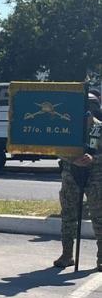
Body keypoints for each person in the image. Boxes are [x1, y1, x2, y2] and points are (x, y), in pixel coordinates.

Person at [53, 92, 102, 272]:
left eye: (89, 111)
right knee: (68, 215)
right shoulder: (68, 127)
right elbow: (56, 149)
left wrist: (94, 158)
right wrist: (72, 159)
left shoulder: (100, 128)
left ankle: (101, 258)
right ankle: (67, 255)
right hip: (71, 175)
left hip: (95, 178)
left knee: (99, 217)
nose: (86, 115)